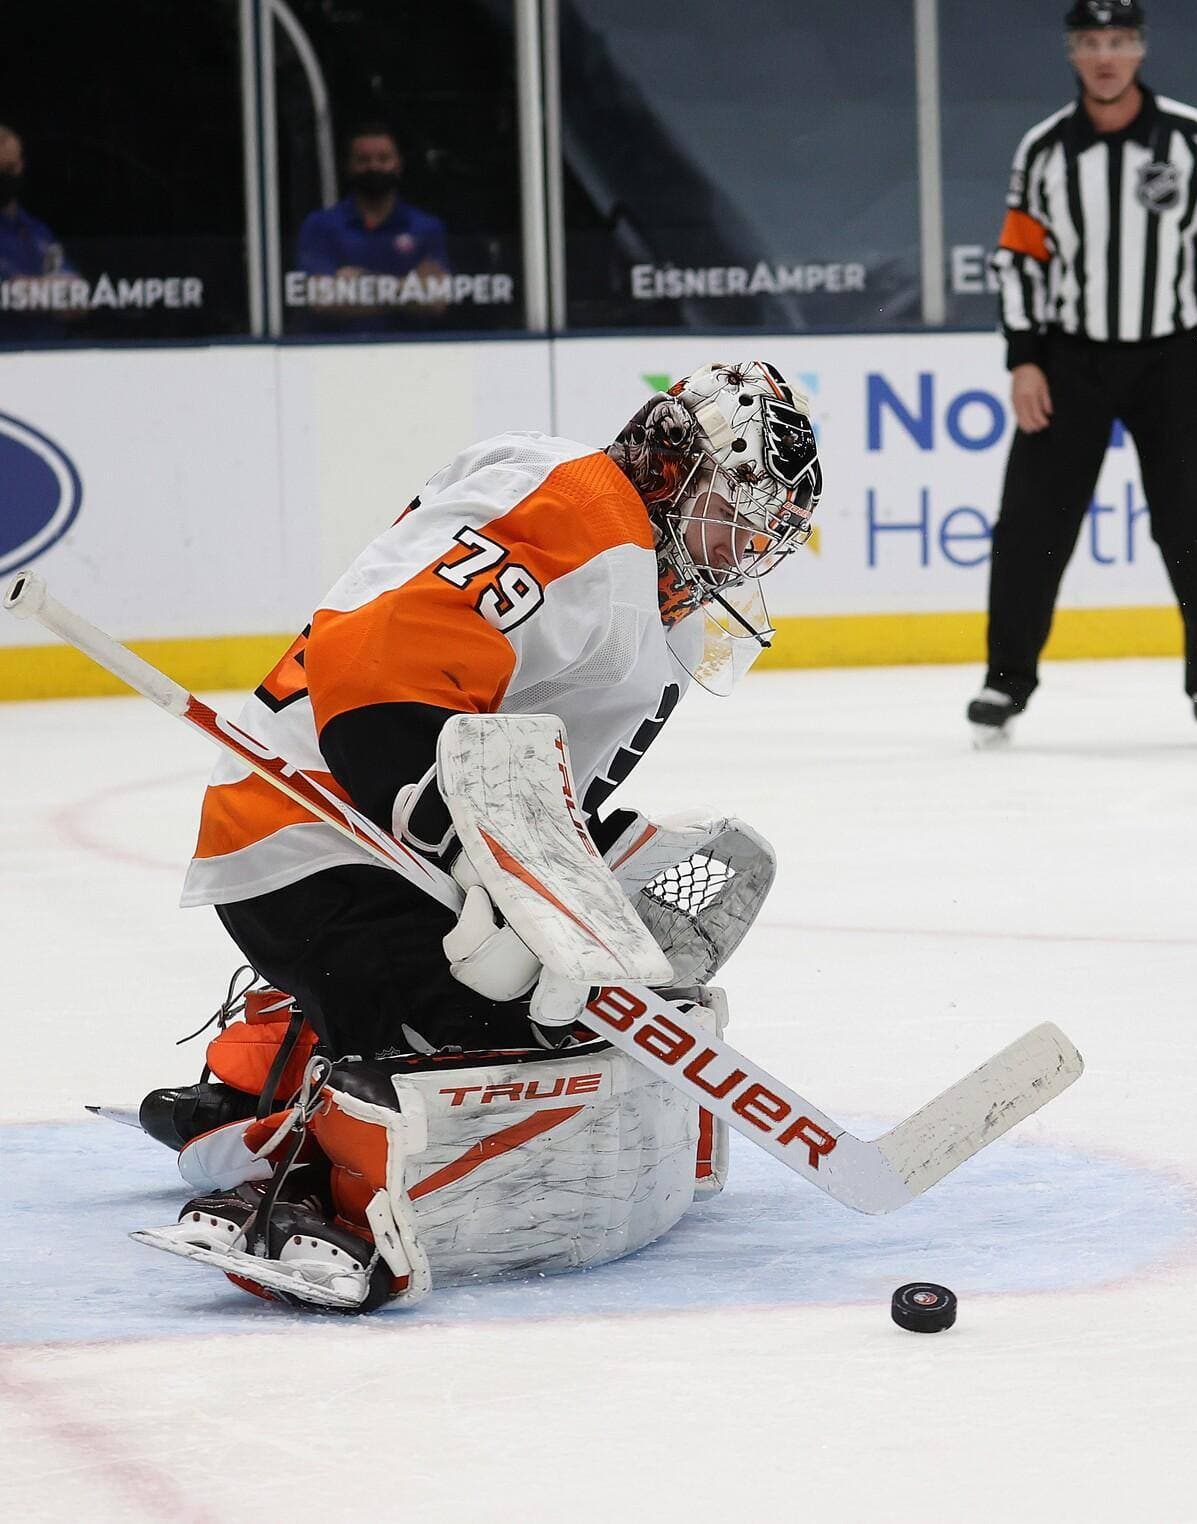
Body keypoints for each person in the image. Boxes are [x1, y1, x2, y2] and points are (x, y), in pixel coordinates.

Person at [134, 361, 822, 1312]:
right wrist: (498, 886)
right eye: (735, 515)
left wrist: (542, 888)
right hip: (331, 843)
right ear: (675, 467)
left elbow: (514, 765)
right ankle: (305, 1183)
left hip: (336, 835)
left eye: (763, 536)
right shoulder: (591, 522)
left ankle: (258, 1070)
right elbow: (377, 684)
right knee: (516, 1048)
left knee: (553, 1006)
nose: (743, 553)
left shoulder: (583, 516)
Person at [967, 0, 1197, 742]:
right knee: (1032, 526)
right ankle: (1006, 683)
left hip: (1177, 359)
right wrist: (1026, 359)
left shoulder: (1191, 139)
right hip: (1072, 362)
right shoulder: (1043, 151)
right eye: (1092, 42)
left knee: (1193, 525)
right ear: (1073, 52)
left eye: (1119, 41)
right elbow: (1019, 260)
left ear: (1140, 50)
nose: (1106, 56)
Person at [294, 123, 450, 330]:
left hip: (410, 352)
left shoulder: (426, 227)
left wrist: (362, 281)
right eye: (363, 160)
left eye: (383, 159)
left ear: (398, 164)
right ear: (348, 166)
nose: (374, 167)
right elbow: (322, 300)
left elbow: (435, 302)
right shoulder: (320, 225)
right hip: (333, 353)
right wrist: (407, 291)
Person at [0, 124, 78, 342]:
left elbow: (77, 296)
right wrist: (50, 292)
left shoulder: (36, 231)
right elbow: (13, 296)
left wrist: (28, 289)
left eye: (10, 168)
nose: (6, 176)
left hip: (47, 357)